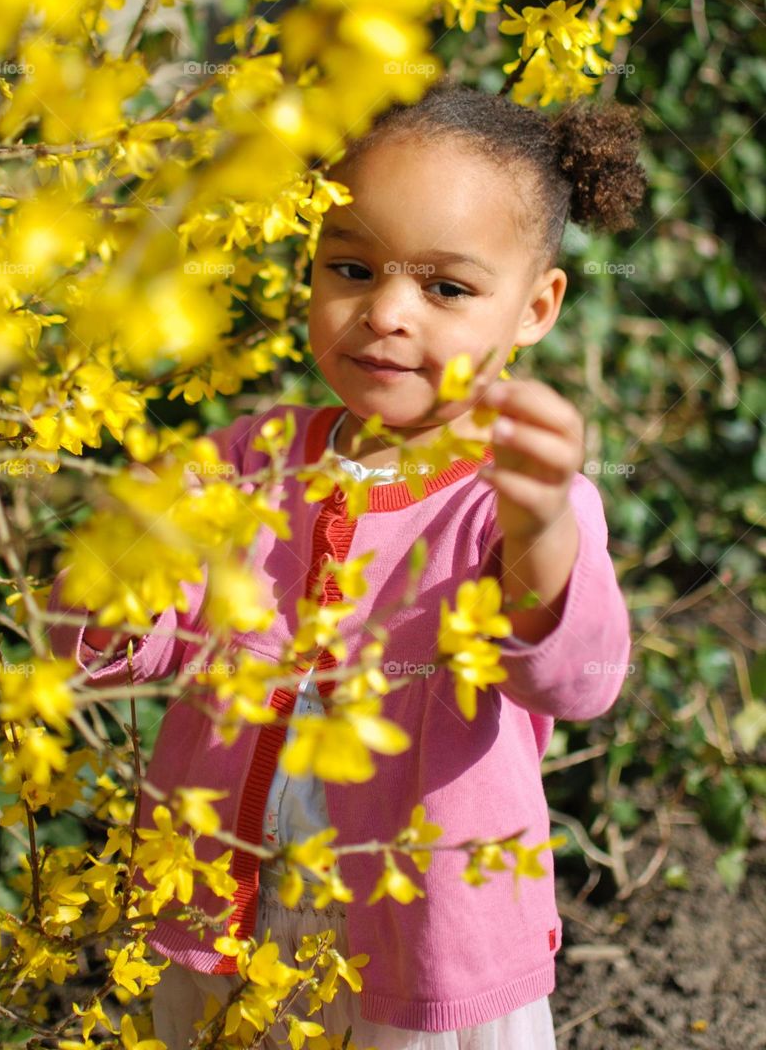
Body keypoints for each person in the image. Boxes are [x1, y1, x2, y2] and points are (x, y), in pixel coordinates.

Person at [46, 80, 647, 1050]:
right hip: (229, 916)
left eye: (446, 287)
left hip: (421, 943)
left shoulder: (518, 490)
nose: (387, 313)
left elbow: (576, 681)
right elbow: (115, 646)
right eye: (351, 267)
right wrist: (125, 562)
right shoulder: (247, 460)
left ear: (535, 306)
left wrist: (538, 533)